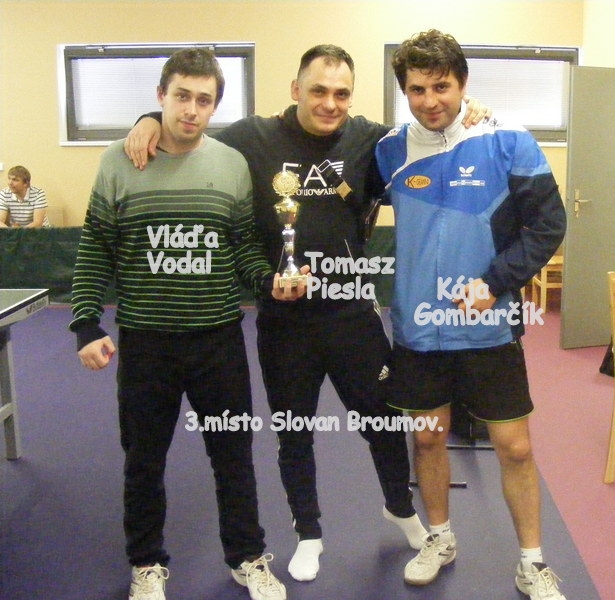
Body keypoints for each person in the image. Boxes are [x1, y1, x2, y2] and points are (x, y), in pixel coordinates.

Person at [123, 44, 489, 583]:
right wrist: (148, 119)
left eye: (341, 93)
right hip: (284, 321)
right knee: (295, 432)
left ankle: (399, 507)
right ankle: (309, 534)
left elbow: (433, 129)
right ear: (296, 89)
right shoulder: (252, 137)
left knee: (383, 422)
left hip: (352, 315)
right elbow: (191, 131)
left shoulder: (371, 139)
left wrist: (469, 114)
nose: (329, 103)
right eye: (318, 91)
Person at [70, 48, 285, 600]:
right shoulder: (119, 160)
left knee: (233, 457)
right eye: (182, 96)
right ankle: (146, 564)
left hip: (219, 342)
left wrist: (268, 281)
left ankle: (247, 556)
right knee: (144, 463)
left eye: (204, 100)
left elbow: (242, 247)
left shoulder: (231, 164)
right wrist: (86, 324)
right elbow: (96, 246)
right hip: (147, 344)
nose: (192, 109)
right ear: (161, 96)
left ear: (215, 107)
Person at [375, 30, 568, 600]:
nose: (430, 100)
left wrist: (496, 281)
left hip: (487, 329)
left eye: (442, 86)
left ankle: (532, 562)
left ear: (462, 84)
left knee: (516, 448)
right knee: (428, 441)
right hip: (418, 330)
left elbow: (549, 225)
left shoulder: (508, 140)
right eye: (417, 89)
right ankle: (439, 538)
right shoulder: (388, 150)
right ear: (404, 92)